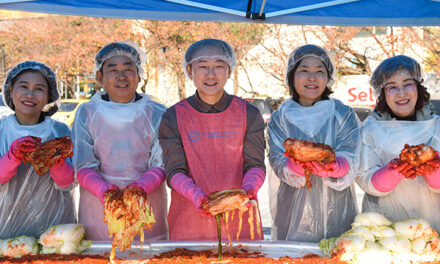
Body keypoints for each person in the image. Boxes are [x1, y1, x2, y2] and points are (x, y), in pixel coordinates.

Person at [159, 39, 266, 240]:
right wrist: (197, 197)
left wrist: (246, 191)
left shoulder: (249, 114)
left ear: (229, 71)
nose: (210, 74)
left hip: (240, 218)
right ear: (190, 71)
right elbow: (174, 171)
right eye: (202, 67)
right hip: (188, 222)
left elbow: (256, 164)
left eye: (219, 66)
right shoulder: (173, 116)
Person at [72, 41, 168, 240]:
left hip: (147, 209)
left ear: (139, 75)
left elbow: (161, 164)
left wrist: (139, 190)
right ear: (100, 77)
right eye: (112, 70)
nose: (121, 76)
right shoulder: (87, 113)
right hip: (98, 212)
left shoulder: (157, 113)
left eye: (128, 69)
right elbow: (83, 165)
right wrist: (105, 191)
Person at [267, 44, 361, 242]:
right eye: (304, 71)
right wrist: (293, 167)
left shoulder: (342, 114)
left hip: (337, 209)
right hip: (291, 210)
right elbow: (276, 157)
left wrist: (338, 166)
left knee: (337, 253)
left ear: (328, 77)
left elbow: (352, 152)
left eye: (320, 71)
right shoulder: (280, 117)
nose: (312, 78)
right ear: (291, 76)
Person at [356, 55, 440, 230]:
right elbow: (364, 177)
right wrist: (392, 173)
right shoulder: (370, 129)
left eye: (408, 84)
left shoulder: (437, 127)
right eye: (392, 87)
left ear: (418, 87)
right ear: (382, 94)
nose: (401, 93)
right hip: (384, 227)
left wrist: (434, 172)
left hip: (432, 225)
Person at [0, 61, 75, 239]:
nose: (30, 94)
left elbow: (68, 184)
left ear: (49, 96)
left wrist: (56, 162)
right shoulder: (1, 130)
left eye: (39, 89)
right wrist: (12, 157)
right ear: (11, 90)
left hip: (53, 228)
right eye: (23, 86)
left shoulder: (60, 132)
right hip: (5, 227)